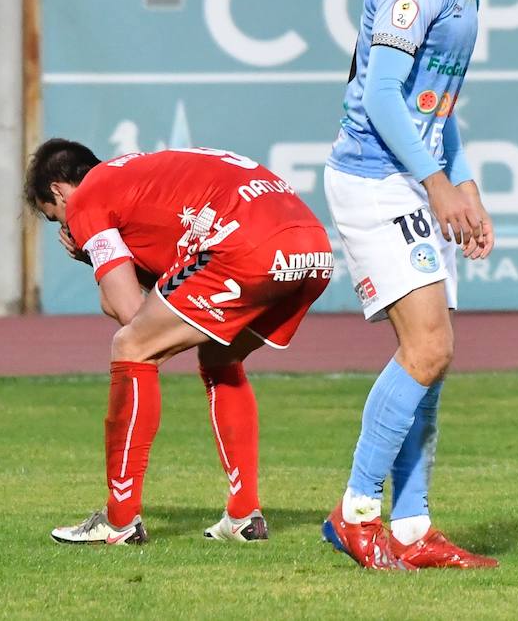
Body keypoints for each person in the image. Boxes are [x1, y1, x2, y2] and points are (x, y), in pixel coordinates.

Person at [321, 0, 509, 570]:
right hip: (375, 176)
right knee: (428, 347)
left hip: (413, 175)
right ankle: (356, 509)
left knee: (431, 355)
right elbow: (380, 96)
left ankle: (410, 526)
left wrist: (462, 185)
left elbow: (437, 101)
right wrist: (435, 183)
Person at [25, 139, 333, 545]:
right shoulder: (138, 179)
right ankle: (244, 516)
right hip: (311, 248)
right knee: (219, 354)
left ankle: (119, 520)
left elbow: (130, 312)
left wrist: (93, 257)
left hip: (246, 245)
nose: (65, 226)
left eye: (55, 218)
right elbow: (174, 294)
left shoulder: (86, 199)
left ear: (59, 191)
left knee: (130, 347)